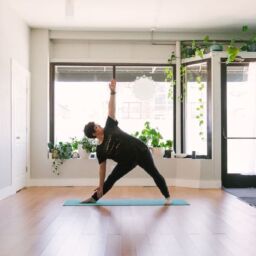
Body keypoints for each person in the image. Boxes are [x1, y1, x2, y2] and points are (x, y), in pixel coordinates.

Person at [82, 79, 171, 204]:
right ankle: (93, 198)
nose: (100, 126)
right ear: (93, 133)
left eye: (97, 124)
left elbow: (111, 109)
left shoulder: (109, 126)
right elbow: (102, 168)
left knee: (154, 173)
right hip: (126, 162)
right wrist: (100, 185)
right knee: (111, 178)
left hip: (140, 151)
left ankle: (167, 197)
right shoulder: (100, 150)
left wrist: (113, 93)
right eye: (96, 127)